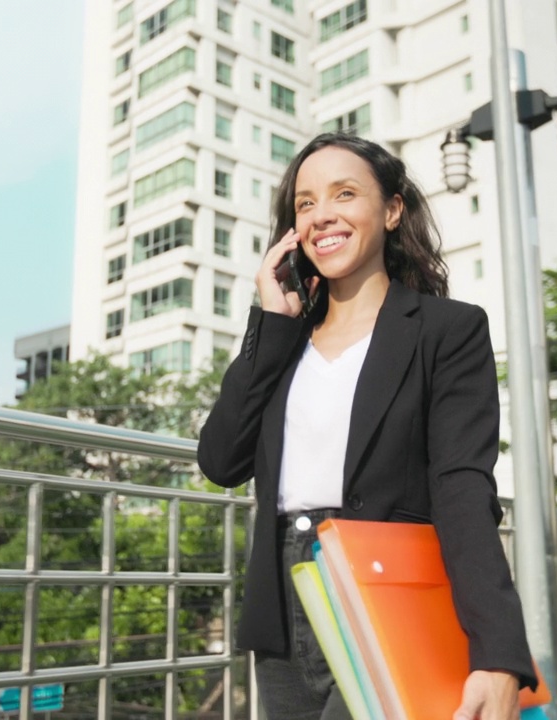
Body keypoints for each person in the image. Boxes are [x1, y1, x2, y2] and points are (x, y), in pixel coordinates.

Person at [197, 133, 536, 720]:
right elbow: (221, 461)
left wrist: (498, 653)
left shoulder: (446, 330)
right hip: (282, 600)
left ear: (392, 209)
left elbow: (461, 487)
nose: (321, 214)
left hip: (387, 592)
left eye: (344, 194)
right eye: (305, 203)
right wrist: (268, 323)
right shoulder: (285, 338)